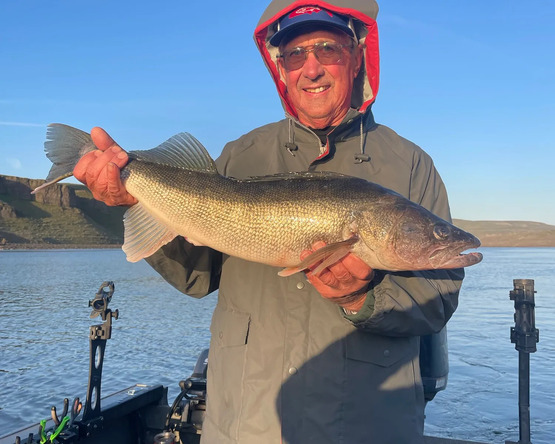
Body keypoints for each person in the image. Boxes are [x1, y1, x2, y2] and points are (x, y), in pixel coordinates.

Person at [74, 1, 464, 443]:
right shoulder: (240, 155)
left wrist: (362, 298)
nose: (311, 69)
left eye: (328, 49)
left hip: (366, 429)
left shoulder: (411, 165)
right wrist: (133, 199)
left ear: (357, 58)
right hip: (245, 427)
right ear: (280, 68)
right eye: (295, 55)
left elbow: (438, 298)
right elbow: (197, 276)